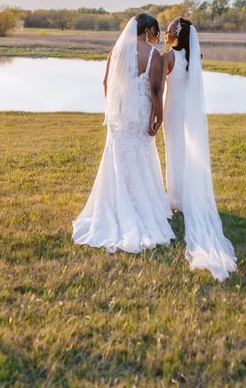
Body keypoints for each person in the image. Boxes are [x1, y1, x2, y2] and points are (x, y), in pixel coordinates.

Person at [72, 14, 174, 253]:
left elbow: (106, 83)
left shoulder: (116, 52)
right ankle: (141, 206)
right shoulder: (153, 55)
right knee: (141, 155)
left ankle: (116, 203)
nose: (156, 37)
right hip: (140, 111)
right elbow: (157, 90)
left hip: (118, 114)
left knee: (118, 157)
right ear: (148, 30)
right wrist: (157, 117)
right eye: (155, 32)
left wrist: (114, 107)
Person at [162, 17, 237, 281]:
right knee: (186, 150)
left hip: (172, 109)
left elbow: (160, 86)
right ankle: (182, 196)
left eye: (170, 28)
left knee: (174, 149)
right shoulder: (195, 57)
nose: (166, 31)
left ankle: (176, 198)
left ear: (177, 34)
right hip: (188, 110)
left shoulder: (168, 56)